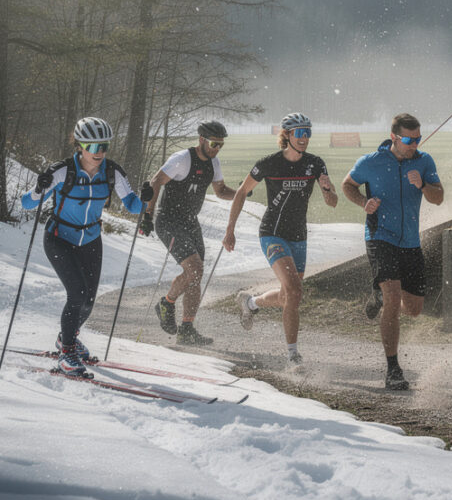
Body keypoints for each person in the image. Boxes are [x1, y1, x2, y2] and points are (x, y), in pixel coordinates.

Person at [20, 117, 150, 376]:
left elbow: (133, 205)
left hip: (90, 240)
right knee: (77, 294)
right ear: (80, 146)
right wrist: (38, 188)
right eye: (93, 147)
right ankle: (67, 353)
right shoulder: (62, 171)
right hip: (59, 238)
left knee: (89, 302)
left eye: (104, 146)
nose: (99, 152)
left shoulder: (112, 172)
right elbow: (27, 204)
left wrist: (146, 199)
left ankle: (66, 338)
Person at [224, 113, 337, 367]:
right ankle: (293, 356)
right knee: (296, 290)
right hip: (272, 233)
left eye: (308, 132)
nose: (305, 138)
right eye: (300, 133)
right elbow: (242, 192)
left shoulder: (316, 164)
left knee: (290, 295)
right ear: (286, 135)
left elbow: (332, 203)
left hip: (299, 235)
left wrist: (328, 189)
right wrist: (230, 229)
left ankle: (250, 302)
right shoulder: (269, 163)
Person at [342, 113, 443, 390]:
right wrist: (364, 202)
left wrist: (422, 185)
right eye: (410, 140)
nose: (415, 144)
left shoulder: (424, 161)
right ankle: (393, 369)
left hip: (410, 242)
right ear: (395, 137)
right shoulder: (371, 162)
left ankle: (379, 298)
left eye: (418, 138)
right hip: (379, 237)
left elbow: (439, 197)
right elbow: (347, 185)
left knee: (413, 309)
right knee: (393, 297)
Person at [143, 121, 237, 346]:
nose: (217, 149)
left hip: (190, 223)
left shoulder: (214, 163)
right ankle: (166, 303)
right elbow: (155, 182)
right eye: (214, 144)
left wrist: (242, 193)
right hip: (169, 221)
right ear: (202, 139)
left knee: (197, 276)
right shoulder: (181, 159)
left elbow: (221, 191)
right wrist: (148, 214)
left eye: (221, 145)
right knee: (194, 269)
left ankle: (186, 329)